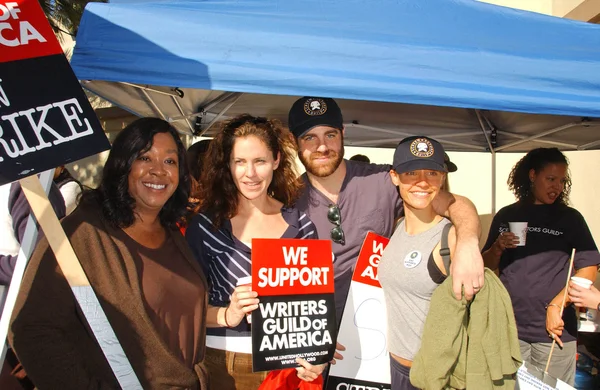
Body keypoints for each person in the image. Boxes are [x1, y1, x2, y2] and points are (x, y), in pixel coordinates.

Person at [9, 118, 209, 389]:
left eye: (170, 161)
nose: (158, 171)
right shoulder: (82, 233)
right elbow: (31, 330)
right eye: (144, 158)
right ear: (122, 164)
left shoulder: (170, 230)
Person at [288, 96, 484, 324]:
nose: (322, 147)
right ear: (294, 142)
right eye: (309, 137)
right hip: (317, 330)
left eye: (330, 135)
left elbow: (456, 203)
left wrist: (468, 245)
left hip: (381, 329)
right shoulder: (286, 199)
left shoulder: (382, 181)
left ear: (342, 133)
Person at [185, 114, 323, 389]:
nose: (250, 173)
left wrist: (318, 352)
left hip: (287, 367)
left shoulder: (302, 227)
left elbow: (313, 309)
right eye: (240, 162)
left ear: (276, 161)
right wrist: (229, 313)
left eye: (259, 161)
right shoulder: (205, 226)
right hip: (224, 363)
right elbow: (187, 310)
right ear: (228, 165)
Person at [482, 147, 600, 386]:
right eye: (551, 179)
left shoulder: (570, 218)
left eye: (561, 181)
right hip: (510, 329)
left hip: (554, 332)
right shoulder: (507, 215)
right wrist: (497, 248)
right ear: (533, 175)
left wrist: (558, 303)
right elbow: (485, 265)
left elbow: (589, 267)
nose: (556, 186)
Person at [378, 136, 457, 389]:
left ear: (442, 178)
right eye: (411, 172)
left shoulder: (452, 238)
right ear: (394, 177)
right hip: (393, 369)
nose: (422, 181)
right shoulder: (398, 226)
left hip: (432, 376)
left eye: (432, 172)